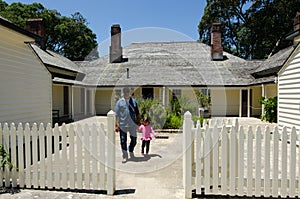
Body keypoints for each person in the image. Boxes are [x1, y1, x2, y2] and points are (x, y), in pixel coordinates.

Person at [115, 87, 141, 163]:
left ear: (130, 93)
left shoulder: (134, 102)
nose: (126, 93)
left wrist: (138, 122)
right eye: (125, 92)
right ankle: (125, 156)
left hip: (132, 124)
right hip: (122, 124)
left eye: (128, 92)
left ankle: (131, 150)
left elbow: (137, 113)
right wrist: (116, 125)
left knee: (134, 140)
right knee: (123, 141)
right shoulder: (119, 102)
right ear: (123, 93)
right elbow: (116, 115)